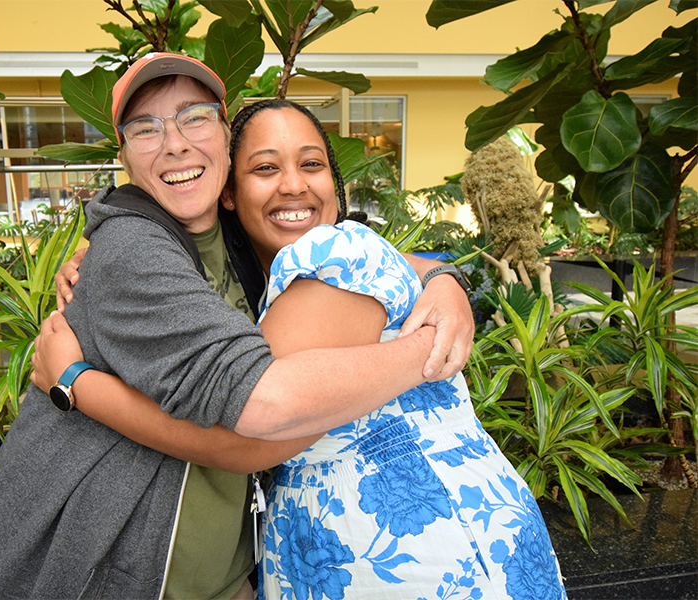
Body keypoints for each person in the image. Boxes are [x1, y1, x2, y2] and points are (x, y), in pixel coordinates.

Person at [0, 53, 471, 600]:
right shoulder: (131, 249)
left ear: (223, 140)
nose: (174, 143)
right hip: (105, 570)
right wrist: (427, 352)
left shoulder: (235, 233)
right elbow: (265, 412)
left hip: (221, 574)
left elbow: (360, 254)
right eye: (145, 128)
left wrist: (444, 279)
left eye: (194, 117)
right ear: (124, 156)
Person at [37, 99, 567, 599]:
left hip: (426, 549)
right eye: (265, 169)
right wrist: (106, 253)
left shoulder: (336, 251)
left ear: (334, 182)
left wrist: (76, 383)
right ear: (228, 190)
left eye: (311, 164)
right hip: (340, 547)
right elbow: (417, 263)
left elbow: (255, 435)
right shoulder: (261, 283)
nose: (293, 185)